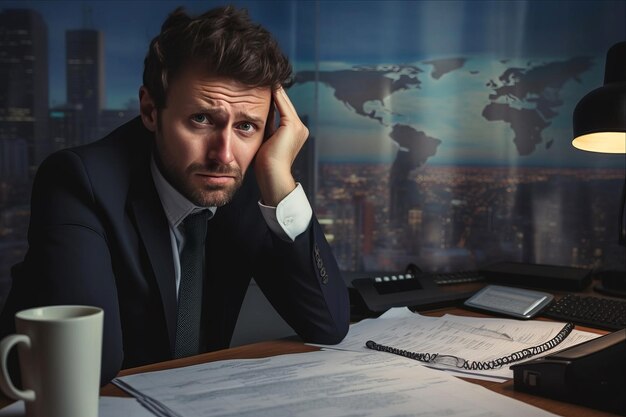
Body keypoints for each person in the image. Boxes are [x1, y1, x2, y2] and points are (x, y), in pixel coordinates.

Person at [0, 5, 349, 385]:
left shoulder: (252, 185)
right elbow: (85, 365)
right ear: (151, 110)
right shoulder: (80, 182)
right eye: (201, 119)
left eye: (247, 126)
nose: (224, 156)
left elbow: (328, 324)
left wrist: (280, 177)